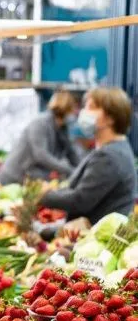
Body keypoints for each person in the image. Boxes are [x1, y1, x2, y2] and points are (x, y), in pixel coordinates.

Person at [40, 87, 137, 224]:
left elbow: (81, 200)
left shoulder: (109, 157)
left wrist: (42, 196)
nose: (83, 112)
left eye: (91, 107)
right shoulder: (113, 148)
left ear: (109, 118)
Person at [0, 90, 81, 185]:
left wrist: (81, 169)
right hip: (14, 177)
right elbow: (41, 155)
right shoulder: (40, 124)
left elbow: (71, 152)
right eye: (74, 109)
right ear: (67, 108)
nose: (75, 113)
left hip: (31, 178)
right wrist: (68, 170)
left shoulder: (61, 128)